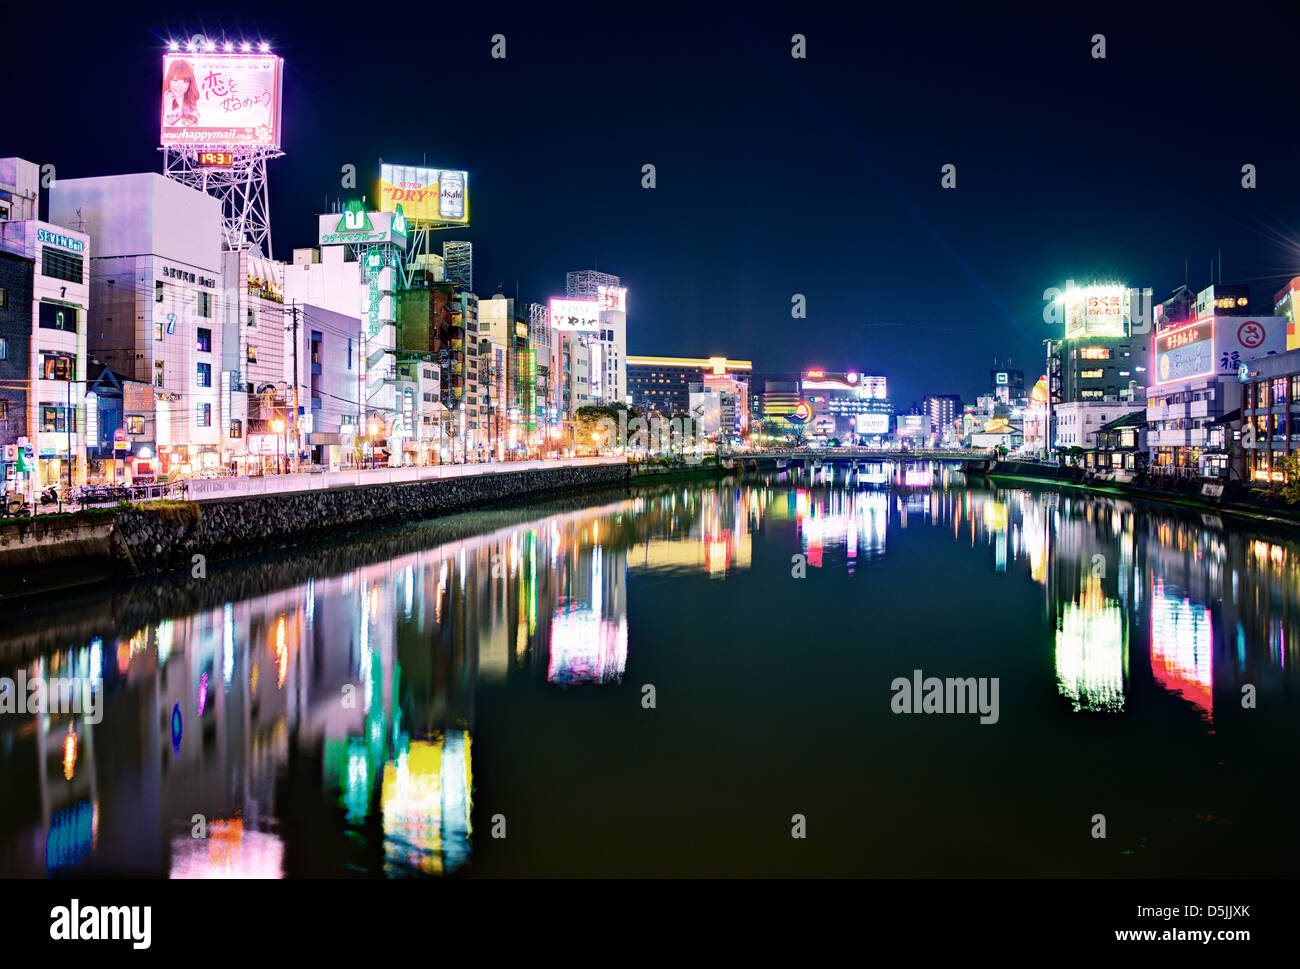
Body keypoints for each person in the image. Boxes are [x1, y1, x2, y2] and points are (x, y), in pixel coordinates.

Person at [163, 59, 199, 127]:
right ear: (169, 80)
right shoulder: (160, 103)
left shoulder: (195, 104)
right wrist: (167, 109)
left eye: (185, 81)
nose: (179, 86)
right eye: (175, 80)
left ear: (189, 83)